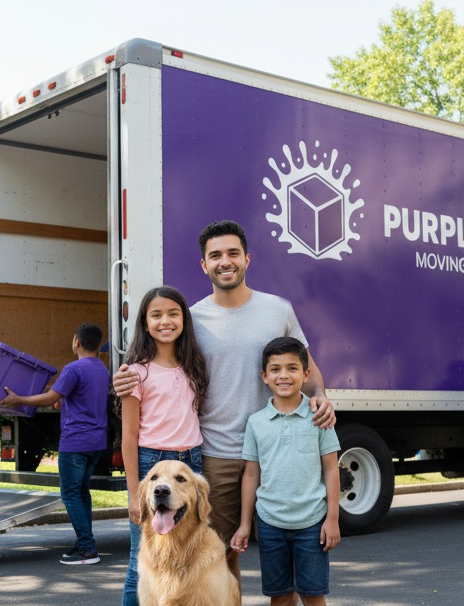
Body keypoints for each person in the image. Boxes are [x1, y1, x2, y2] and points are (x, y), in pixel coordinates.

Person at [114, 220, 335, 576]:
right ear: (204, 265)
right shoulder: (193, 319)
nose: (225, 261)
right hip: (218, 455)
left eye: (233, 253)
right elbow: (159, 363)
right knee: (217, 559)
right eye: (215, 255)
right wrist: (126, 377)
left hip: (279, 450)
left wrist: (321, 395)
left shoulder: (278, 310)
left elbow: (305, 368)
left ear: (247, 258)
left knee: (288, 557)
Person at [113, 285, 211, 606]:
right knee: (142, 567)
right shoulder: (135, 371)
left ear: (184, 319)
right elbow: (130, 436)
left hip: (191, 463)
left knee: (193, 562)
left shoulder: (194, 366)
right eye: (156, 315)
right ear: (144, 322)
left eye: (173, 313)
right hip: (153, 466)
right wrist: (137, 493)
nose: (165, 321)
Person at [230, 337, 340, 606]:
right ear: (264, 376)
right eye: (275, 369)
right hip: (271, 522)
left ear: (305, 373)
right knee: (279, 595)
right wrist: (246, 523)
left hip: (312, 521)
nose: (284, 375)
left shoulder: (319, 414)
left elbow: (331, 470)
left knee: (312, 595)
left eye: (293, 368)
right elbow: (250, 474)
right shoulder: (257, 422)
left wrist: (333, 518)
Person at [0, 323, 110, 564]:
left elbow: (50, 398)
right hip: (96, 442)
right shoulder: (102, 369)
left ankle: (88, 549)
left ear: (76, 342)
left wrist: (19, 400)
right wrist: (65, 402)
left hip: (76, 442)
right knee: (81, 492)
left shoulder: (73, 369)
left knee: (70, 494)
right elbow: (80, 398)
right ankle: (83, 542)